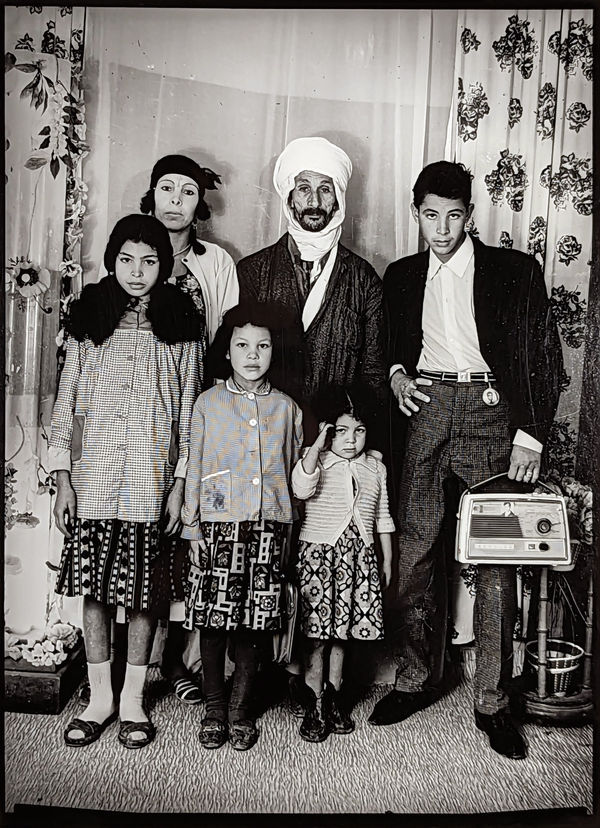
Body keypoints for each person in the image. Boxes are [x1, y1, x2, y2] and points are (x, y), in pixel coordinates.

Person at [369, 161, 563, 760]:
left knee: (495, 553)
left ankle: (493, 702)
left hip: (491, 409)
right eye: (431, 216)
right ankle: (416, 679)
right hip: (426, 408)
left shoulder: (513, 272)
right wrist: (400, 377)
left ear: (471, 215)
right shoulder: (400, 277)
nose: (443, 229)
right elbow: (386, 352)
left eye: (455, 216)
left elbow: (544, 355)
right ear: (416, 213)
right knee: (419, 546)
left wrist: (530, 434)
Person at [49, 214, 203, 749]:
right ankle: (99, 699)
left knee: (143, 594)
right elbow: (65, 400)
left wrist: (180, 483)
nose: (137, 272)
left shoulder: (183, 321)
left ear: (167, 264)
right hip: (93, 476)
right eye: (127, 260)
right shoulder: (89, 317)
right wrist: (64, 477)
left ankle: (133, 700)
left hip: (150, 478)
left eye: (150, 261)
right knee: (95, 591)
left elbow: (188, 414)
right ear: (112, 261)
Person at [181, 301, 303, 751]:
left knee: (255, 623)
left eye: (263, 346)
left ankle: (240, 708)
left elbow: (295, 474)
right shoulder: (208, 404)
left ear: (275, 351)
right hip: (217, 526)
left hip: (270, 528)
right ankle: (214, 705)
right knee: (213, 621)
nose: (253, 354)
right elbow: (195, 466)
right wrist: (193, 527)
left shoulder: (287, 409)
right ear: (227, 351)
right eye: (242, 345)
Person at [140, 153, 239, 704]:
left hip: (202, 408)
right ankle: (141, 661)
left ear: (200, 203)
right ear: (151, 196)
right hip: (151, 413)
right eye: (166, 189)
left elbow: (225, 341)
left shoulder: (216, 262)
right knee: (150, 528)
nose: (176, 201)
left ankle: (182, 656)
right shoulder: (133, 255)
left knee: (195, 530)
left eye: (187, 192)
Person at [237, 136, 386, 442]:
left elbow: (373, 374)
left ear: (339, 198)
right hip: (264, 438)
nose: (315, 202)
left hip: (336, 444)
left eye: (325, 189)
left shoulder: (363, 279)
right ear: (290, 197)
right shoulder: (253, 271)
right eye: (304, 188)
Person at [291, 385, 394, 743]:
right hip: (319, 556)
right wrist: (317, 447)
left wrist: (387, 558)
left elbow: (382, 516)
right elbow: (300, 489)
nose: (351, 440)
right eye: (341, 431)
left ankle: (333, 699)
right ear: (326, 430)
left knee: (341, 634)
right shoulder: (314, 460)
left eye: (359, 430)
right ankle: (313, 701)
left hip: (357, 556)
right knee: (317, 634)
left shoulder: (375, 468)